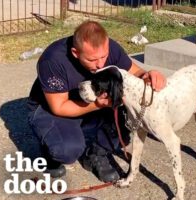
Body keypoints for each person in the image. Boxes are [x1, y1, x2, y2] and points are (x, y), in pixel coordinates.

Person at [27, 20, 166, 182]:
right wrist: (98, 105)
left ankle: (95, 154)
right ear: (75, 52)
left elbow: (135, 72)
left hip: (90, 99)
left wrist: (149, 74)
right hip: (52, 108)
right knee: (67, 150)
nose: (100, 64)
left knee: (128, 122)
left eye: (103, 57)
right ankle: (50, 151)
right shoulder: (52, 60)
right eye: (92, 60)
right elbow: (59, 107)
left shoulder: (108, 48)